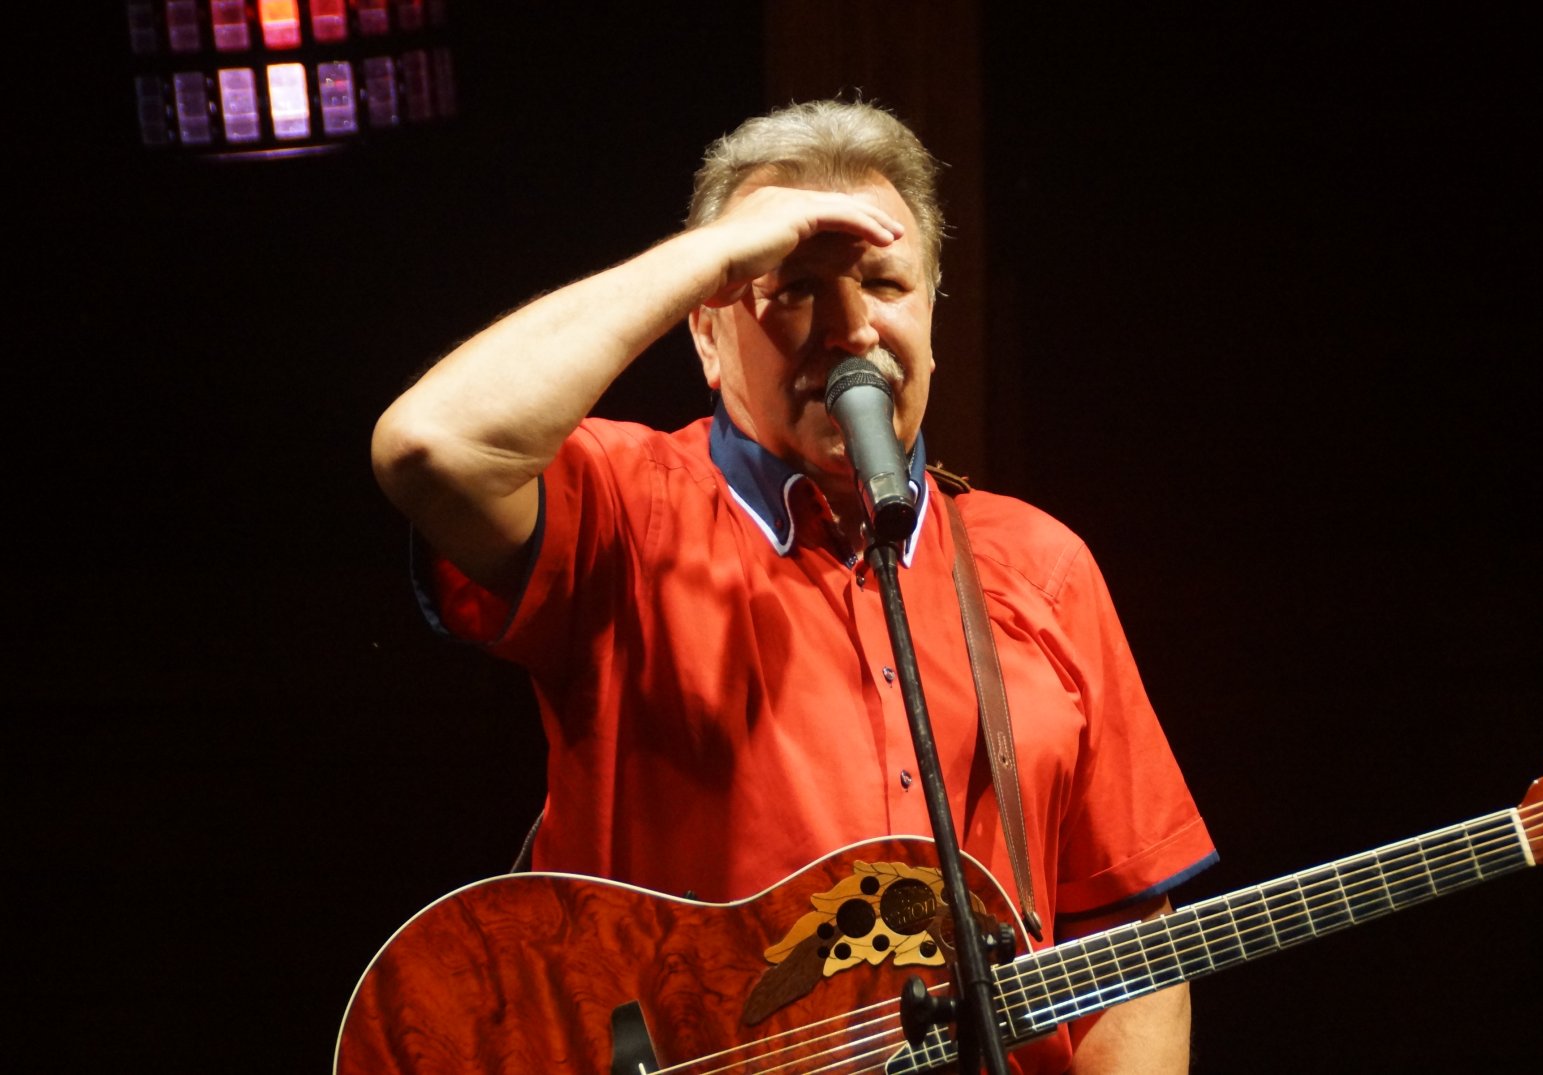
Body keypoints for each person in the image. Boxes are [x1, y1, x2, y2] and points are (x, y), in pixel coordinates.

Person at [371, 99, 1215, 1075]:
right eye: (794, 287)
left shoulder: (1042, 565)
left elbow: (1128, 930)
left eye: (884, 283)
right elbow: (433, 446)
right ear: (707, 335)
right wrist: (717, 254)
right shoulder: (626, 508)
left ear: (933, 322)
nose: (851, 328)